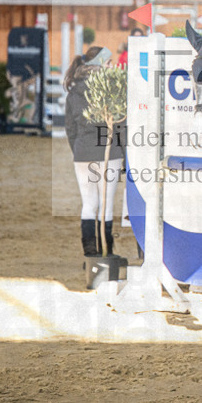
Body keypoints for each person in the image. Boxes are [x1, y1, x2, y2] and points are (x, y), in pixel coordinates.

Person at [64, 46, 126, 260]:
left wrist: (78, 151)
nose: (112, 66)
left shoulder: (74, 90)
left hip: (82, 152)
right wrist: (124, 152)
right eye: (109, 63)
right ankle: (107, 250)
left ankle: (91, 253)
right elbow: (120, 125)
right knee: (106, 204)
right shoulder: (111, 88)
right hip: (109, 152)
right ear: (99, 64)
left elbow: (70, 128)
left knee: (89, 204)